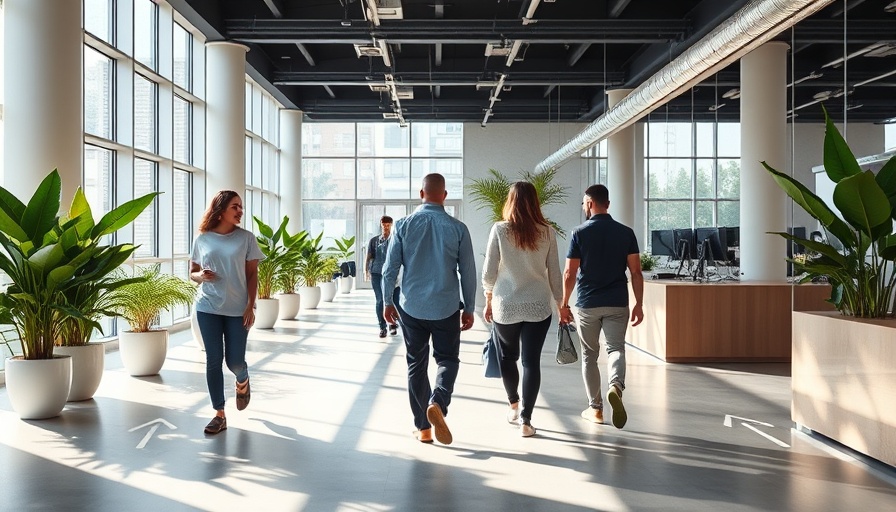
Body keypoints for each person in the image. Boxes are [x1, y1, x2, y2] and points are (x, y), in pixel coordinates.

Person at [382, 173, 476, 445]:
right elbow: (467, 272)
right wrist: (469, 307)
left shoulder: (403, 225)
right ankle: (439, 401)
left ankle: (423, 428)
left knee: (416, 364)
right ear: (444, 196)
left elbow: (390, 270)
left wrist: (388, 301)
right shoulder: (458, 228)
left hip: (411, 307)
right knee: (447, 359)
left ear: (421, 194)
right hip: (446, 306)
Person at [482, 181, 563, 438]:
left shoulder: (500, 230)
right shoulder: (547, 232)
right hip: (539, 306)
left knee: (507, 357)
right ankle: (526, 421)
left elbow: (489, 270)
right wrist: (562, 304)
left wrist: (487, 297)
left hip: (506, 305)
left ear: (510, 202)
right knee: (531, 362)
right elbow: (555, 273)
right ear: (535, 202)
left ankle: (514, 405)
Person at [560, 184, 644, 430]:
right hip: (618, 301)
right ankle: (615, 386)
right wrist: (639, 304)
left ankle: (595, 409)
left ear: (589, 203)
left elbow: (569, 272)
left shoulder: (579, 233)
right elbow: (636, 272)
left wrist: (564, 303)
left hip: (588, 303)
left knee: (590, 355)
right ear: (607, 203)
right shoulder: (626, 233)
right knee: (616, 348)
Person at [190, 190, 264, 435]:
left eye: (241, 207)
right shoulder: (202, 239)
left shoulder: (246, 238)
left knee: (234, 361)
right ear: (220, 209)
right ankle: (219, 414)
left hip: (237, 309)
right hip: (207, 307)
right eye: (235, 206)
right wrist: (200, 277)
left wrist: (250, 305)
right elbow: (192, 271)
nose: (240, 211)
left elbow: (252, 274)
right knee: (213, 359)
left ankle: (242, 378)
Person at [365, 215, 400, 338]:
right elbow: (369, 256)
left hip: (392, 274)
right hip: (377, 273)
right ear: (380, 225)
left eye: (388, 225)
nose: (385, 227)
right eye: (383, 225)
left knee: (394, 300)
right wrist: (366, 270)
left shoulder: (396, 239)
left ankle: (393, 325)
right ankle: (382, 327)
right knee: (380, 300)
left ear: (391, 225)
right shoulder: (374, 241)